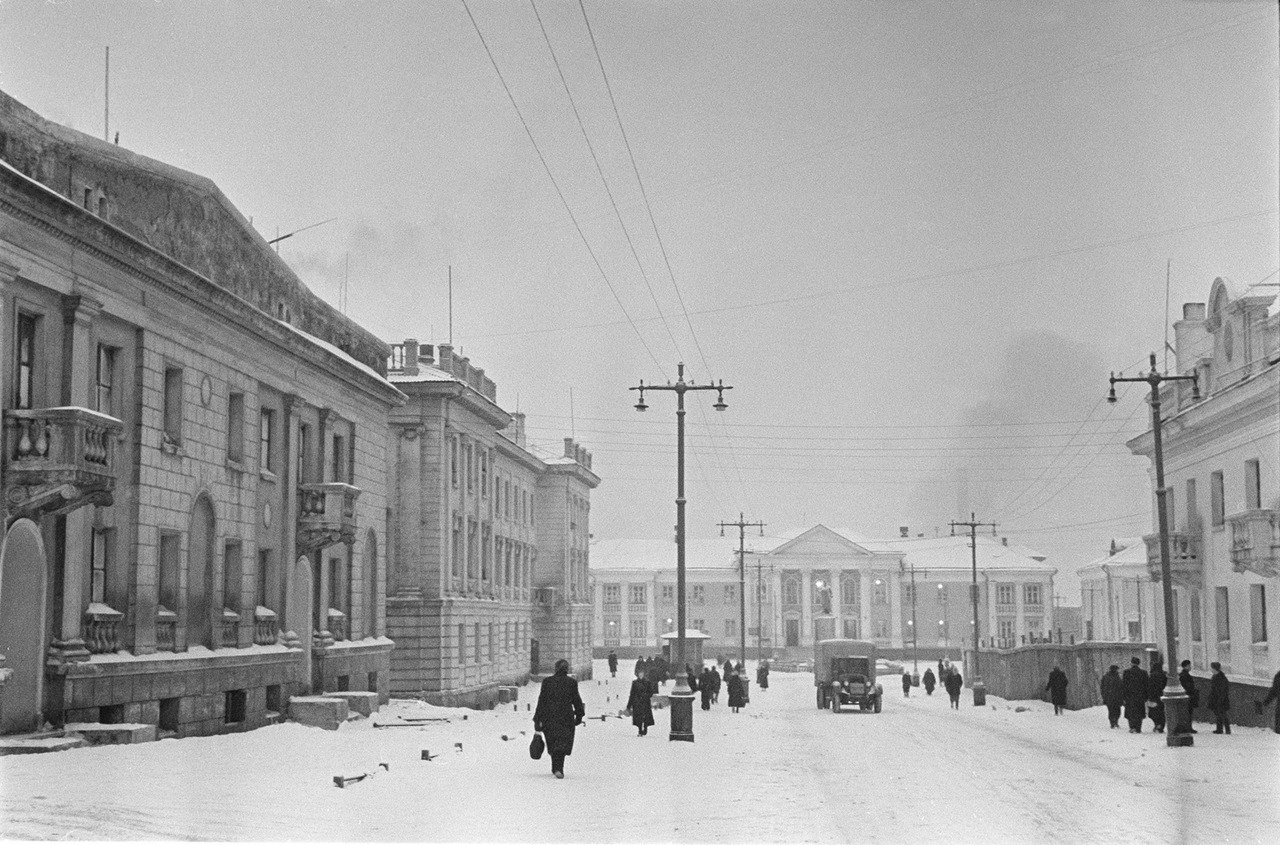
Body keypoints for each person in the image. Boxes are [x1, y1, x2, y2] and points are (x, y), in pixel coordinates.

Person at [533, 659, 585, 778]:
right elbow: (576, 700)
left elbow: (542, 701)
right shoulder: (571, 682)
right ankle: (558, 769)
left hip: (549, 718)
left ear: (555, 669)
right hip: (566, 718)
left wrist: (537, 719)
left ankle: (556, 768)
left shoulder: (547, 682)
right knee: (562, 744)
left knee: (553, 743)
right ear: (567, 669)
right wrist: (579, 715)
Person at [1121, 657, 1149, 733]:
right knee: (1139, 712)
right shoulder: (1143, 673)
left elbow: (1124, 685)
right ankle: (1138, 727)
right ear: (1139, 663)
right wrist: (1146, 696)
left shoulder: (1126, 672)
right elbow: (1146, 685)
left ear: (1131, 663)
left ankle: (1132, 727)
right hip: (1140, 696)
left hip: (1130, 696)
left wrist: (1124, 696)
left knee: (1131, 713)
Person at [626, 669, 655, 736]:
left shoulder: (647, 682)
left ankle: (645, 728)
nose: (640, 674)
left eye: (641, 673)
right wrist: (629, 705)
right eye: (639, 673)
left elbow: (651, 692)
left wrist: (645, 696)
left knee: (645, 716)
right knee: (638, 716)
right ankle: (639, 730)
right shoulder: (635, 682)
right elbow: (632, 693)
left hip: (645, 702)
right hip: (637, 702)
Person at [1208, 661, 1230, 734]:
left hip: (1221, 699)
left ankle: (1227, 729)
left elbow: (1223, 690)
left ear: (1215, 669)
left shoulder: (1221, 678)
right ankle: (1219, 729)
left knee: (1223, 714)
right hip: (1215, 698)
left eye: (1212, 668)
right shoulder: (1215, 676)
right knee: (1218, 713)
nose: (1211, 669)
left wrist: (1220, 699)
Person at [1147, 659, 1168, 733]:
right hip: (1161, 696)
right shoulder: (1163, 675)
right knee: (1160, 712)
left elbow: (1149, 686)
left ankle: (1157, 724)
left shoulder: (1152, 675)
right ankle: (1160, 725)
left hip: (1153, 697)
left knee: (1153, 712)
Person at [1179, 659, 1200, 732]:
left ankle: (1188, 727)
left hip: (1187, 696)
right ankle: (1188, 728)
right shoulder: (1185, 676)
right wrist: (1192, 691)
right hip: (1188, 696)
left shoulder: (1183, 675)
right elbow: (1188, 687)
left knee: (1188, 713)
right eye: (1189, 666)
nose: (1190, 667)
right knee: (1188, 713)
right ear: (1185, 666)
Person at [1100, 664, 1123, 729]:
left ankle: (1114, 722)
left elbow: (1102, 688)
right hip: (1115, 697)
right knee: (1116, 711)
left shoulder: (1106, 677)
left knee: (1112, 711)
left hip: (1110, 697)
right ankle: (1114, 722)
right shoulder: (1117, 677)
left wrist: (1104, 696)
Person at [1259, 669, 1280, 734]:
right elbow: (1274, 691)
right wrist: (1266, 701)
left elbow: (1274, 691)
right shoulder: (1278, 676)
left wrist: (1267, 701)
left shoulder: (1278, 676)